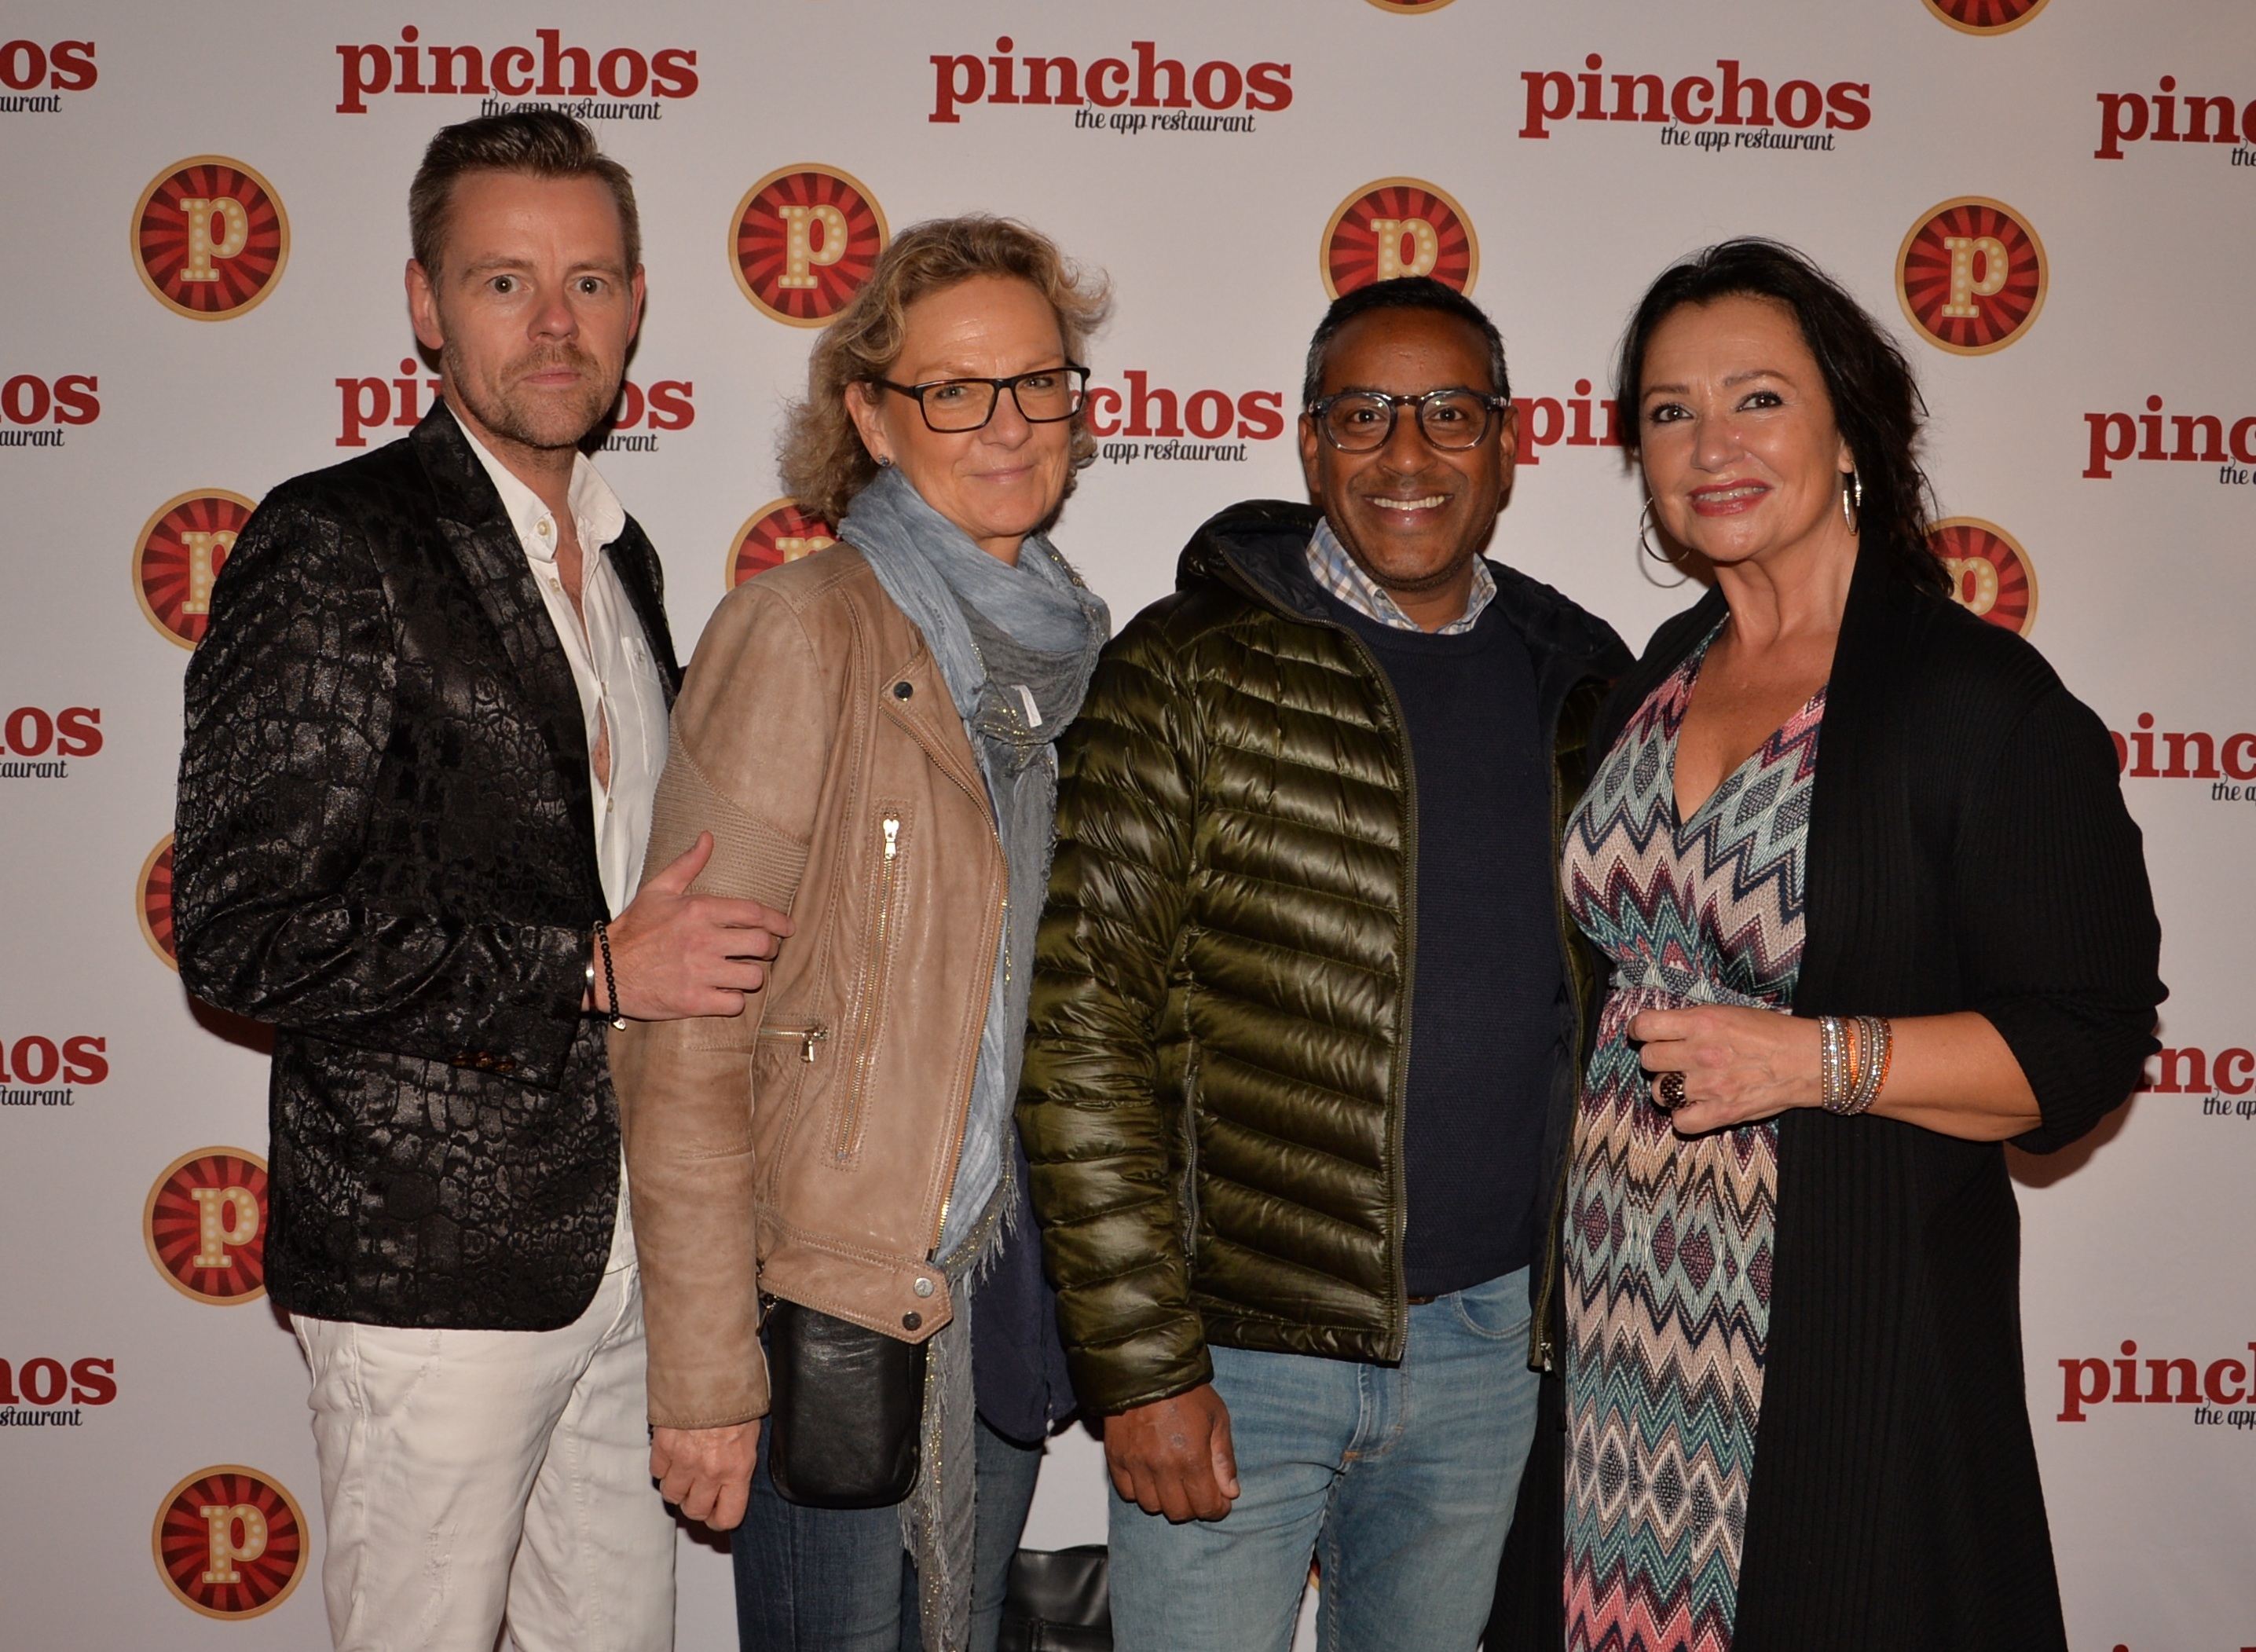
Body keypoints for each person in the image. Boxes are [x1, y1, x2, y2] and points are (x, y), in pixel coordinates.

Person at [172, 112, 791, 1652]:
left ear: (637, 305)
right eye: (505, 282)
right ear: (426, 304)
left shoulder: (627, 562)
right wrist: (585, 967)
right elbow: (241, 927)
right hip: (429, 1268)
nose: (555, 322)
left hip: (623, 1251)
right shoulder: (337, 540)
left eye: (590, 282)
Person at [1499, 239, 2163, 1652]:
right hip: (1618, 1331)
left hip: (1839, 1340)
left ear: (1850, 428)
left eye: (1759, 398)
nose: (1711, 445)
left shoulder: (1978, 701)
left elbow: (2087, 1039)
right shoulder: (1654, 676)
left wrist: (1810, 1060)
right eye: (1670, 411)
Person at [1017, 274, 1631, 1652]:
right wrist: (1144, 1369)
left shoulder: (1583, 679)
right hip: (1236, 1361)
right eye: (1364, 414)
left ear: (1509, 443)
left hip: (1489, 1353)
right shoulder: (1185, 667)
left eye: (1449, 413)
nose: (1407, 453)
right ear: (1310, 444)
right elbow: (1082, 1035)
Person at [610, 216, 1109, 1652]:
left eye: (1037, 381)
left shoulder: (1075, 656)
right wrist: (708, 1373)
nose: (1006, 424)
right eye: (954, 391)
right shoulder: (802, 630)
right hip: (829, 1306)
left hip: (997, 1298)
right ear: (875, 421)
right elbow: (688, 1029)